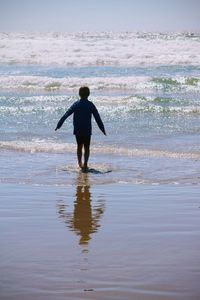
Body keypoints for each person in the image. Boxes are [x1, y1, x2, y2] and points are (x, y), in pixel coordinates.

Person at [55, 86, 106, 171]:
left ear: (79, 94)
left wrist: (59, 124)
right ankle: (85, 164)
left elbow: (66, 114)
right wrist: (102, 129)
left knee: (79, 146)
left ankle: (79, 163)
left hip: (78, 129)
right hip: (87, 129)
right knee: (87, 146)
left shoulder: (76, 104)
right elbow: (97, 118)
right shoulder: (90, 105)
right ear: (88, 94)